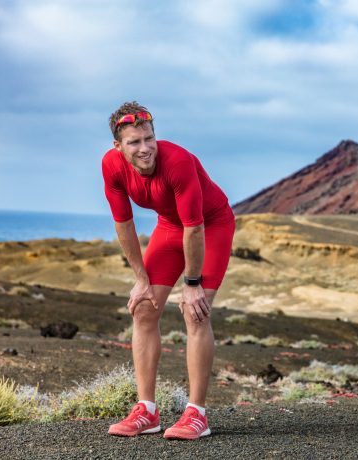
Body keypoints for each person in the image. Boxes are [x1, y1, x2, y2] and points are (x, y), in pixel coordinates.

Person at [102, 101, 235, 440]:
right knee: (144, 309)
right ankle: (146, 411)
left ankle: (197, 414)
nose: (145, 148)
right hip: (169, 226)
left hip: (210, 225)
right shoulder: (111, 166)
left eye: (149, 138)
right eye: (134, 142)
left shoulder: (177, 162)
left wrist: (192, 283)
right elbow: (124, 224)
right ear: (118, 146)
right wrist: (140, 280)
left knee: (196, 313)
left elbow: (195, 226)